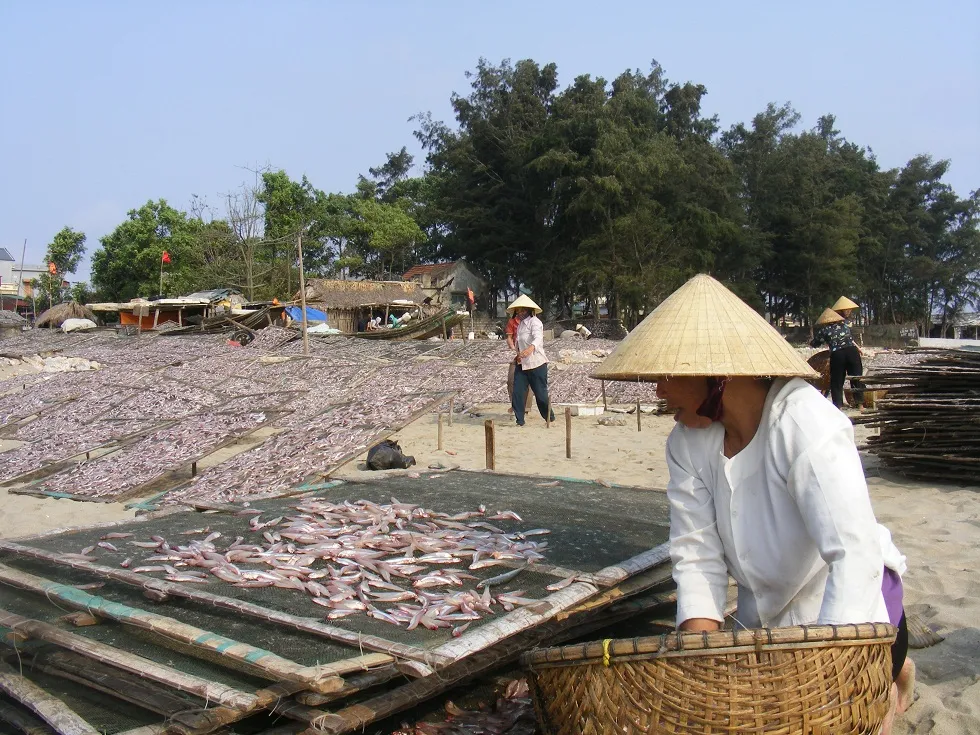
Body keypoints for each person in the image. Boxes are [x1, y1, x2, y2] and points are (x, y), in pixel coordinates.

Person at [593, 274, 914, 731]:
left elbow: (853, 554)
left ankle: (895, 661)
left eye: (666, 375)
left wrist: (821, 673)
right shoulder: (687, 442)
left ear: (718, 375)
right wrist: (699, 655)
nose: (658, 391)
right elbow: (696, 551)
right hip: (763, 610)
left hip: (848, 604)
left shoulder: (804, 423)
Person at [507, 295, 555, 426]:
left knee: (541, 395)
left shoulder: (535, 322)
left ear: (528, 310)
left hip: (537, 363)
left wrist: (531, 348)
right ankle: (520, 420)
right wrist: (518, 354)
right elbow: (518, 342)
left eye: (523, 310)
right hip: (522, 364)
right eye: (518, 311)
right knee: (517, 391)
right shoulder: (521, 325)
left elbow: (538, 338)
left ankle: (549, 417)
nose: (520, 313)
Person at [811, 307, 864, 409]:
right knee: (856, 377)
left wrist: (811, 343)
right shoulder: (844, 325)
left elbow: (815, 343)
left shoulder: (825, 330)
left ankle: (838, 406)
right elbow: (850, 339)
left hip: (838, 354)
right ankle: (860, 404)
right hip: (852, 352)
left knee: (837, 381)